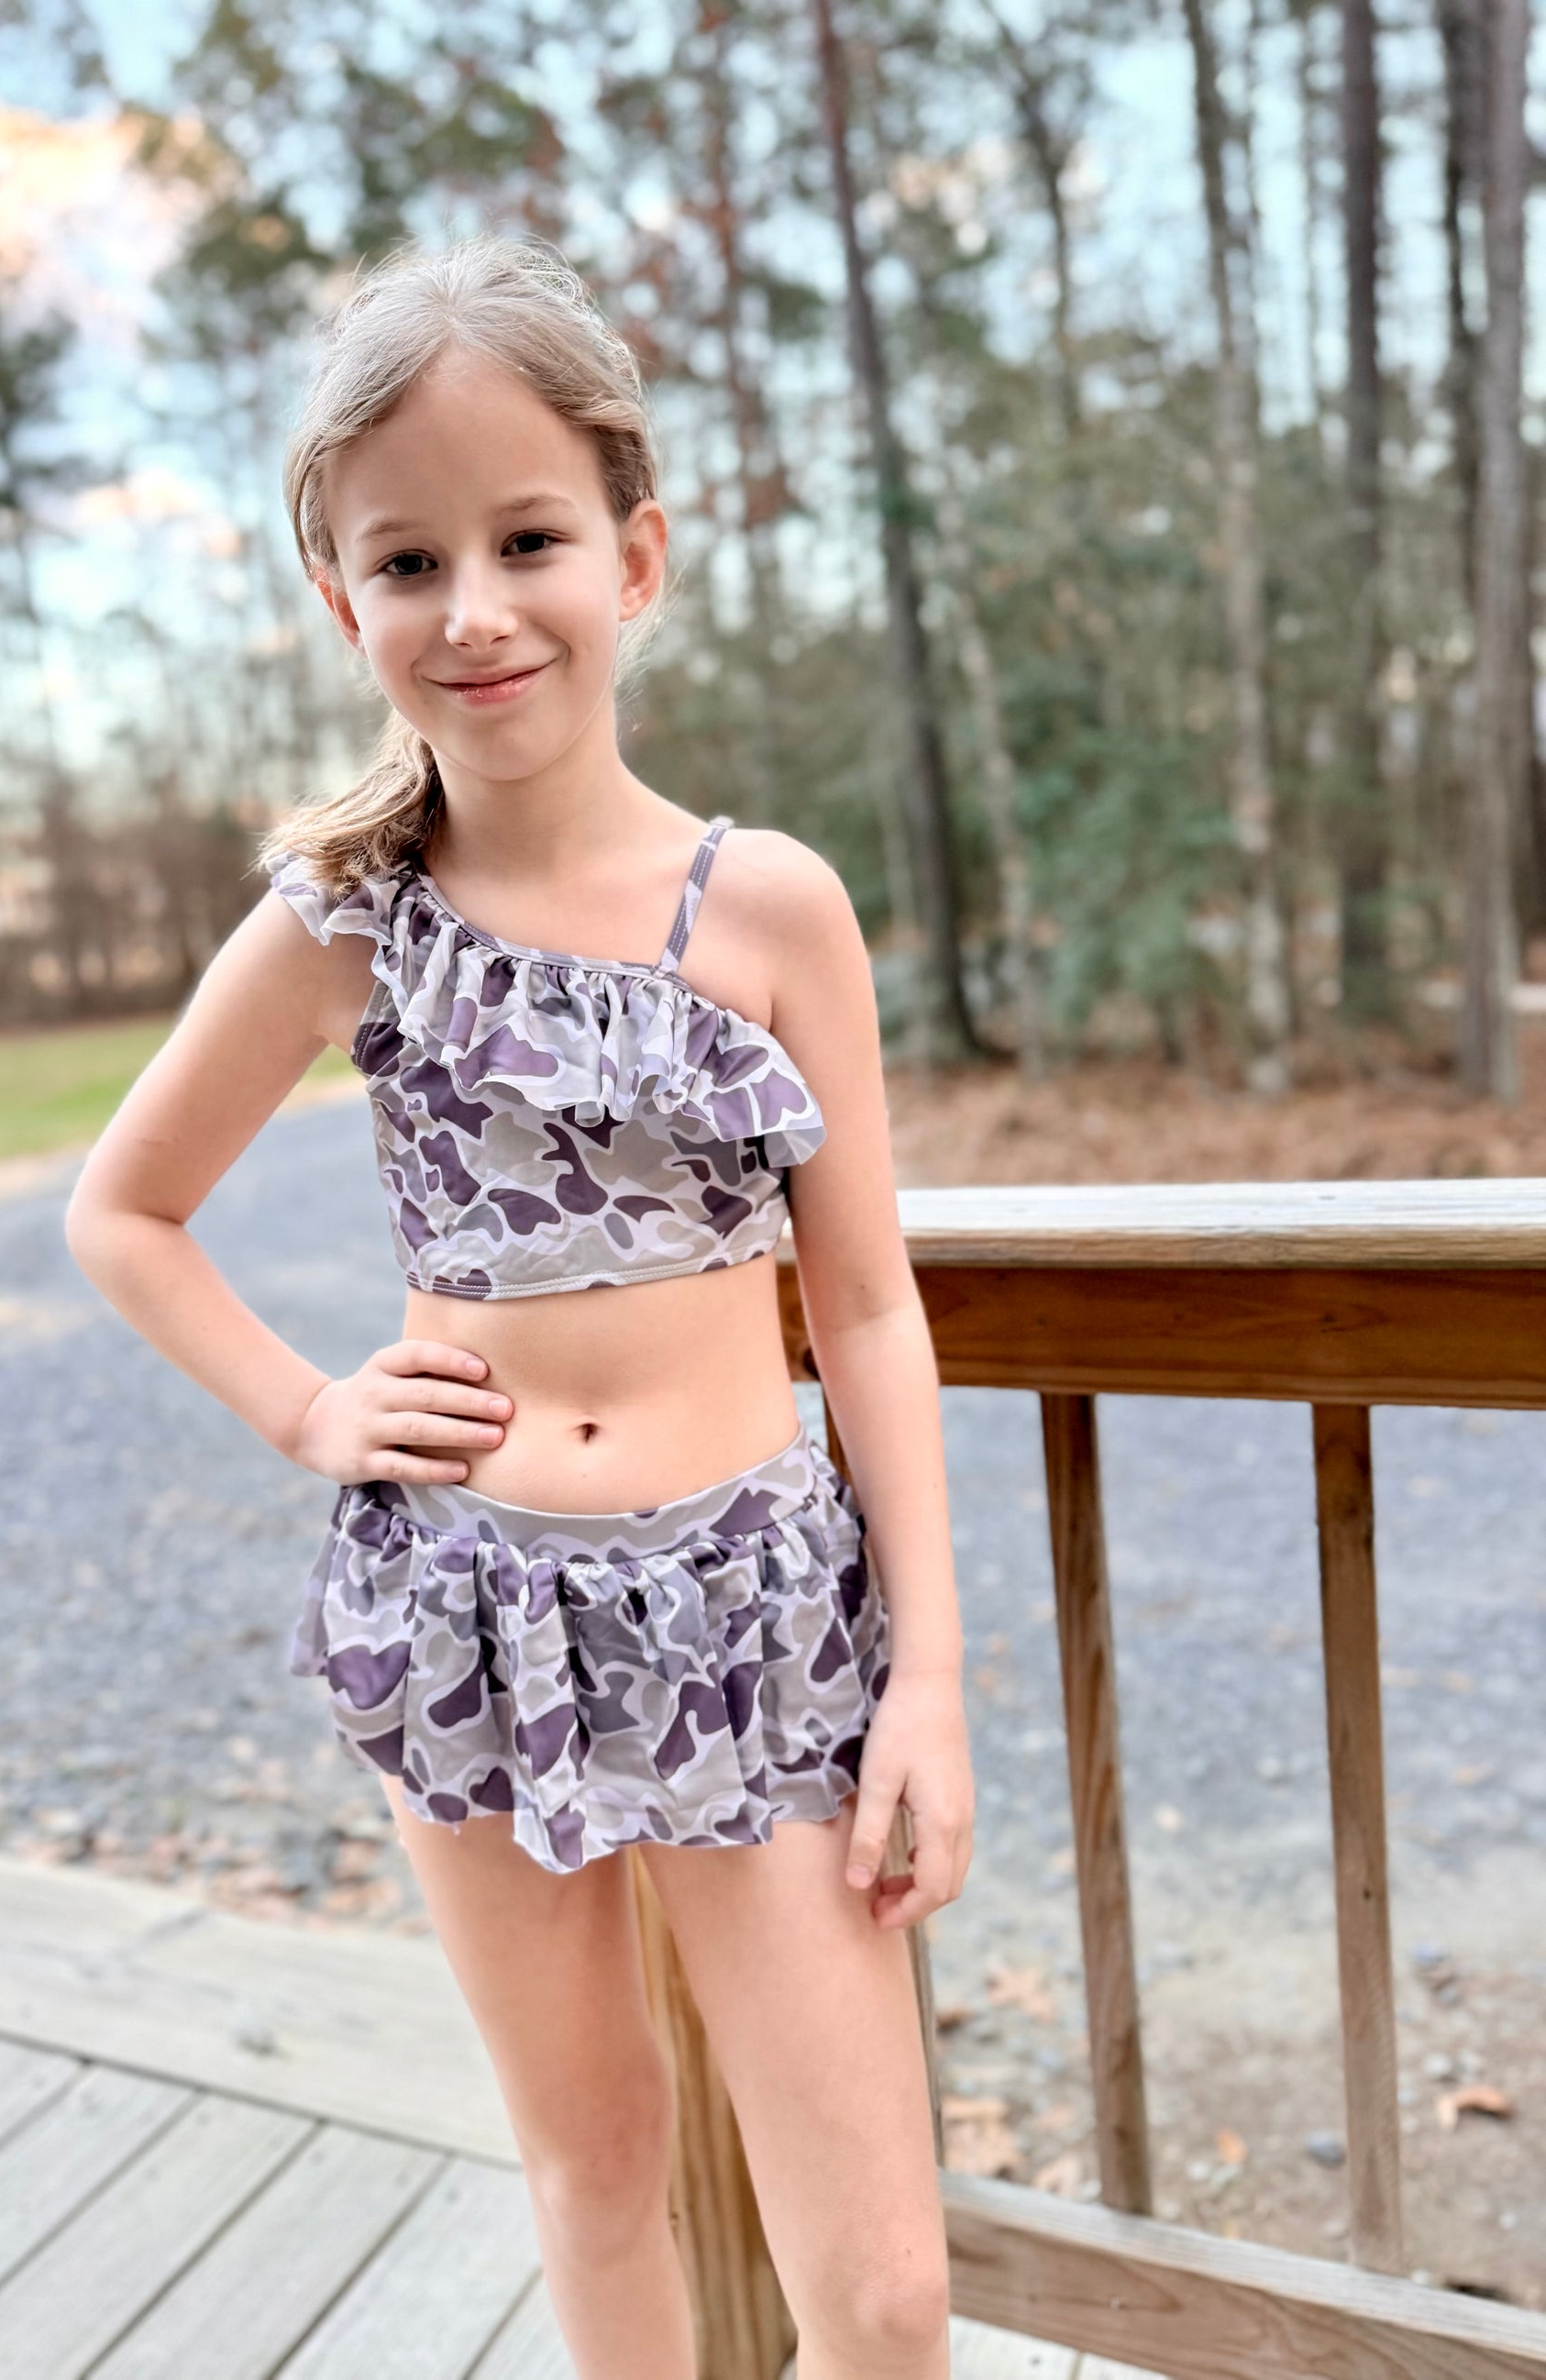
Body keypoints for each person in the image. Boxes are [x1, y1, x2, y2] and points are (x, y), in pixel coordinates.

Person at [65, 232, 975, 2380]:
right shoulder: (345, 924)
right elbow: (125, 1208)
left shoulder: (766, 906)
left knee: (882, 2286)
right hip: (463, 1604)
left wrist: (928, 1676)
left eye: (528, 538)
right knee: (594, 2161)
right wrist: (309, 1410)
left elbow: (864, 1308)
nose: (473, 607)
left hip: (753, 1609)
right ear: (344, 606)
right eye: (408, 560)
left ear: (634, 556)